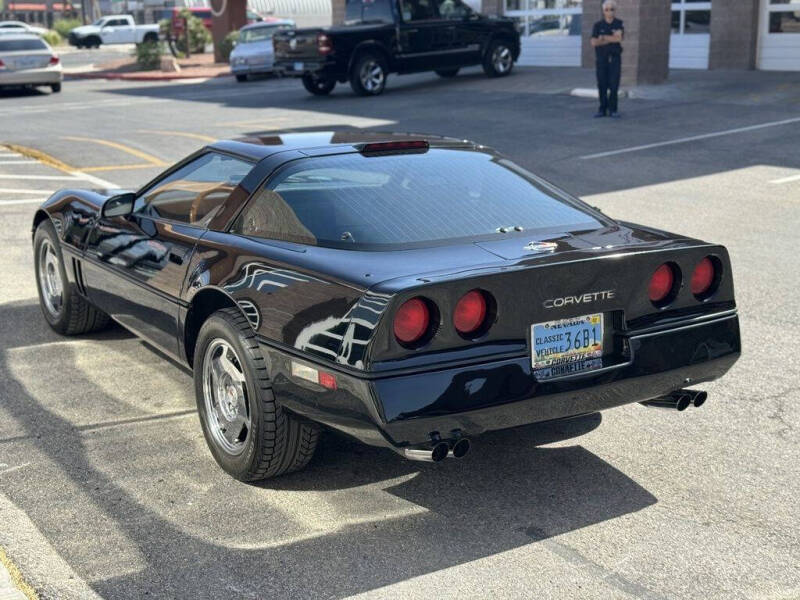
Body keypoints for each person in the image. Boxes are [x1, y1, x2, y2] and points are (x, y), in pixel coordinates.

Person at [591, 0, 624, 118]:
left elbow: (618, 39)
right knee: (602, 85)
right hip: (601, 59)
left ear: (615, 11)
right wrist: (611, 37)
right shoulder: (597, 25)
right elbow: (594, 42)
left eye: (612, 9)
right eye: (607, 9)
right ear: (603, 11)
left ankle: (613, 109)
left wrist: (603, 37)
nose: (609, 12)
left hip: (614, 59)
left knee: (614, 85)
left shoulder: (619, 23)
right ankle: (602, 109)